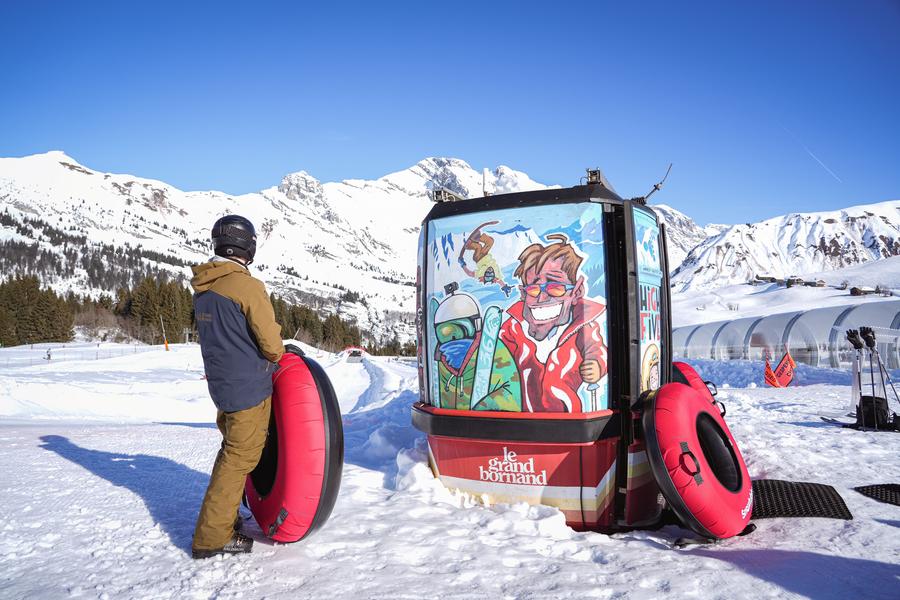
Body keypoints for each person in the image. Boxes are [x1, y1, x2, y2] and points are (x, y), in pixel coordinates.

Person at [190, 215, 284, 559]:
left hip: (224, 387)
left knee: (231, 453)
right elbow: (272, 345)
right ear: (248, 245)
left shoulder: (204, 286)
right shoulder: (246, 286)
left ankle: (225, 518)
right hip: (248, 389)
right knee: (239, 458)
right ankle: (211, 538)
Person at [498, 234, 607, 412]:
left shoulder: (582, 327)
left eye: (555, 288)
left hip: (567, 422)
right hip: (519, 420)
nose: (542, 297)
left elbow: (596, 350)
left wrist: (596, 365)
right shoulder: (513, 329)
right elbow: (491, 354)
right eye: (533, 289)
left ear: (577, 292)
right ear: (523, 294)